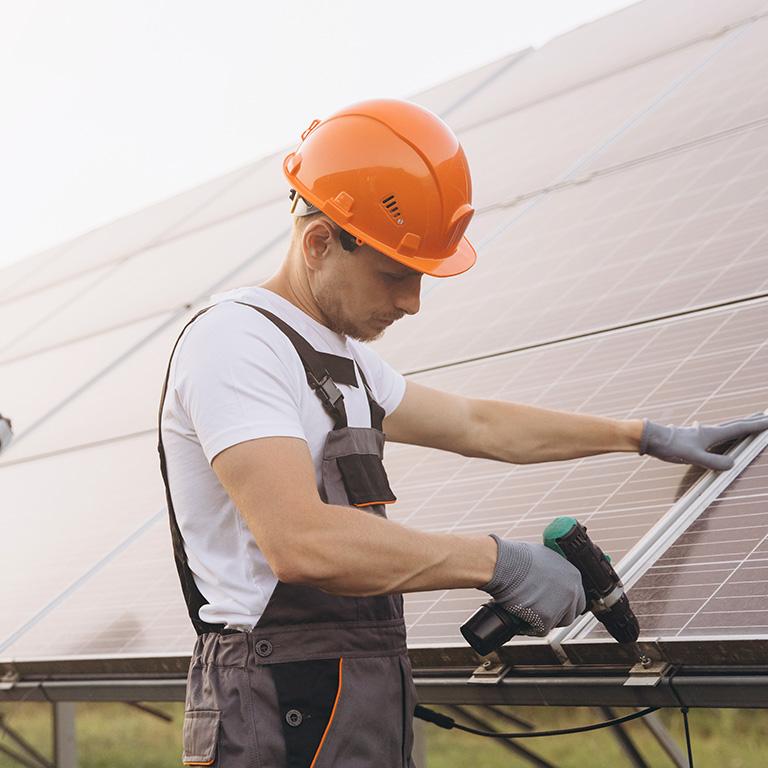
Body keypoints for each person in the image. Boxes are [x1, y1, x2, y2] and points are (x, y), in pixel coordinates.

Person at [157, 98, 768, 767]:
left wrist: (643, 434)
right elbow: (301, 543)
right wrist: (495, 563)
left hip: (354, 684)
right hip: (275, 700)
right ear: (318, 243)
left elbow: (479, 424)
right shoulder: (235, 342)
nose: (412, 301)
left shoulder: (340, 355)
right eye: (395, 275)